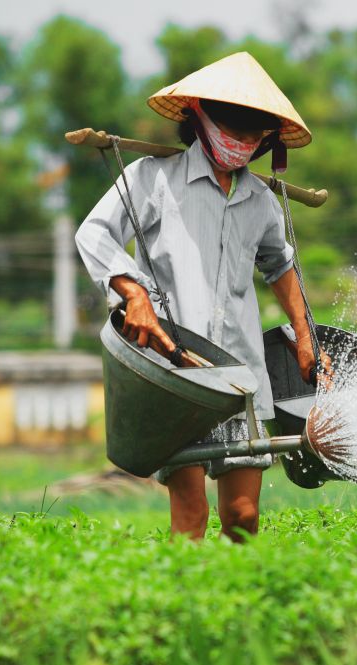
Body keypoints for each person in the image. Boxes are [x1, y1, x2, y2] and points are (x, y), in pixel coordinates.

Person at [75, 52, 329, 542]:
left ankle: (239, 606)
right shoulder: (153, 180)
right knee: (189, 517)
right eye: (232, 126)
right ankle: (185, 603)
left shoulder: (260, 201)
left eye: (253, 134)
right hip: (175, 373)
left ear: (265, 142)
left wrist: (305, 336)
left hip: (239, 375)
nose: (241, 141)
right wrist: (133, 293)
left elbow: (280, 264)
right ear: (198, 116)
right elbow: (95, 234)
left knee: (243, 519)